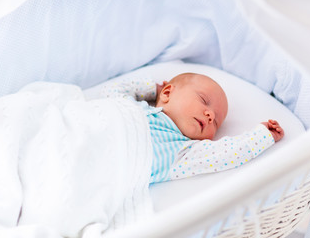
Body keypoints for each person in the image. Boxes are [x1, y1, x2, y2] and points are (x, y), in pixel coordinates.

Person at [100, 73, 284, 183]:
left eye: (216, 123)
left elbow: (227, 154)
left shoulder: (182, 152)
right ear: (167, 93)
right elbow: (111, 91)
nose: (210, 116)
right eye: (204, 101)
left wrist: (262, 135)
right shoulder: (132, 108)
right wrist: (153, 88)